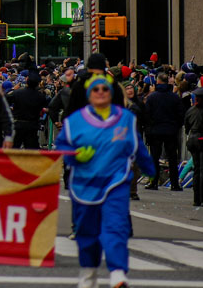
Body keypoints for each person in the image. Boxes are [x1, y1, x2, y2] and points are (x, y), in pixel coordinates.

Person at [57, 76, 154, 288]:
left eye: (105, 89)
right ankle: (88, 272)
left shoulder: (125, 118)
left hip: (116, 182)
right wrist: (75, 156)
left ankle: (118, 273)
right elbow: (62, 145)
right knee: (87, 233)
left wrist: (149, 167)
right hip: (84, 184)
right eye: (96, 89)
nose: (100, 92)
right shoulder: (75, 121)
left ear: (111, 93)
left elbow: (136, 145)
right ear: (89, 95)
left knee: (116, 226)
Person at [142, 72, 185, 190]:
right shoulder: (174, 97)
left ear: (158, 82)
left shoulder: (152, 97)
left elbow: (147, 115)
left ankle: (153, 182)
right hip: (171, 130)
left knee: (154, 157)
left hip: (155, 131)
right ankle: (174, 183)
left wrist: (149, 128)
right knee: (172, 158)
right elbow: (180, 115)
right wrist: (176, 126)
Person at [9, 72, 49, 149]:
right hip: (32, 125)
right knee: (31, 150)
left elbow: (5, 98)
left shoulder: (17, 92)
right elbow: (44, 107)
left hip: (18, 124)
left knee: (14, 149)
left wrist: (13, 89)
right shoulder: (40, 96)